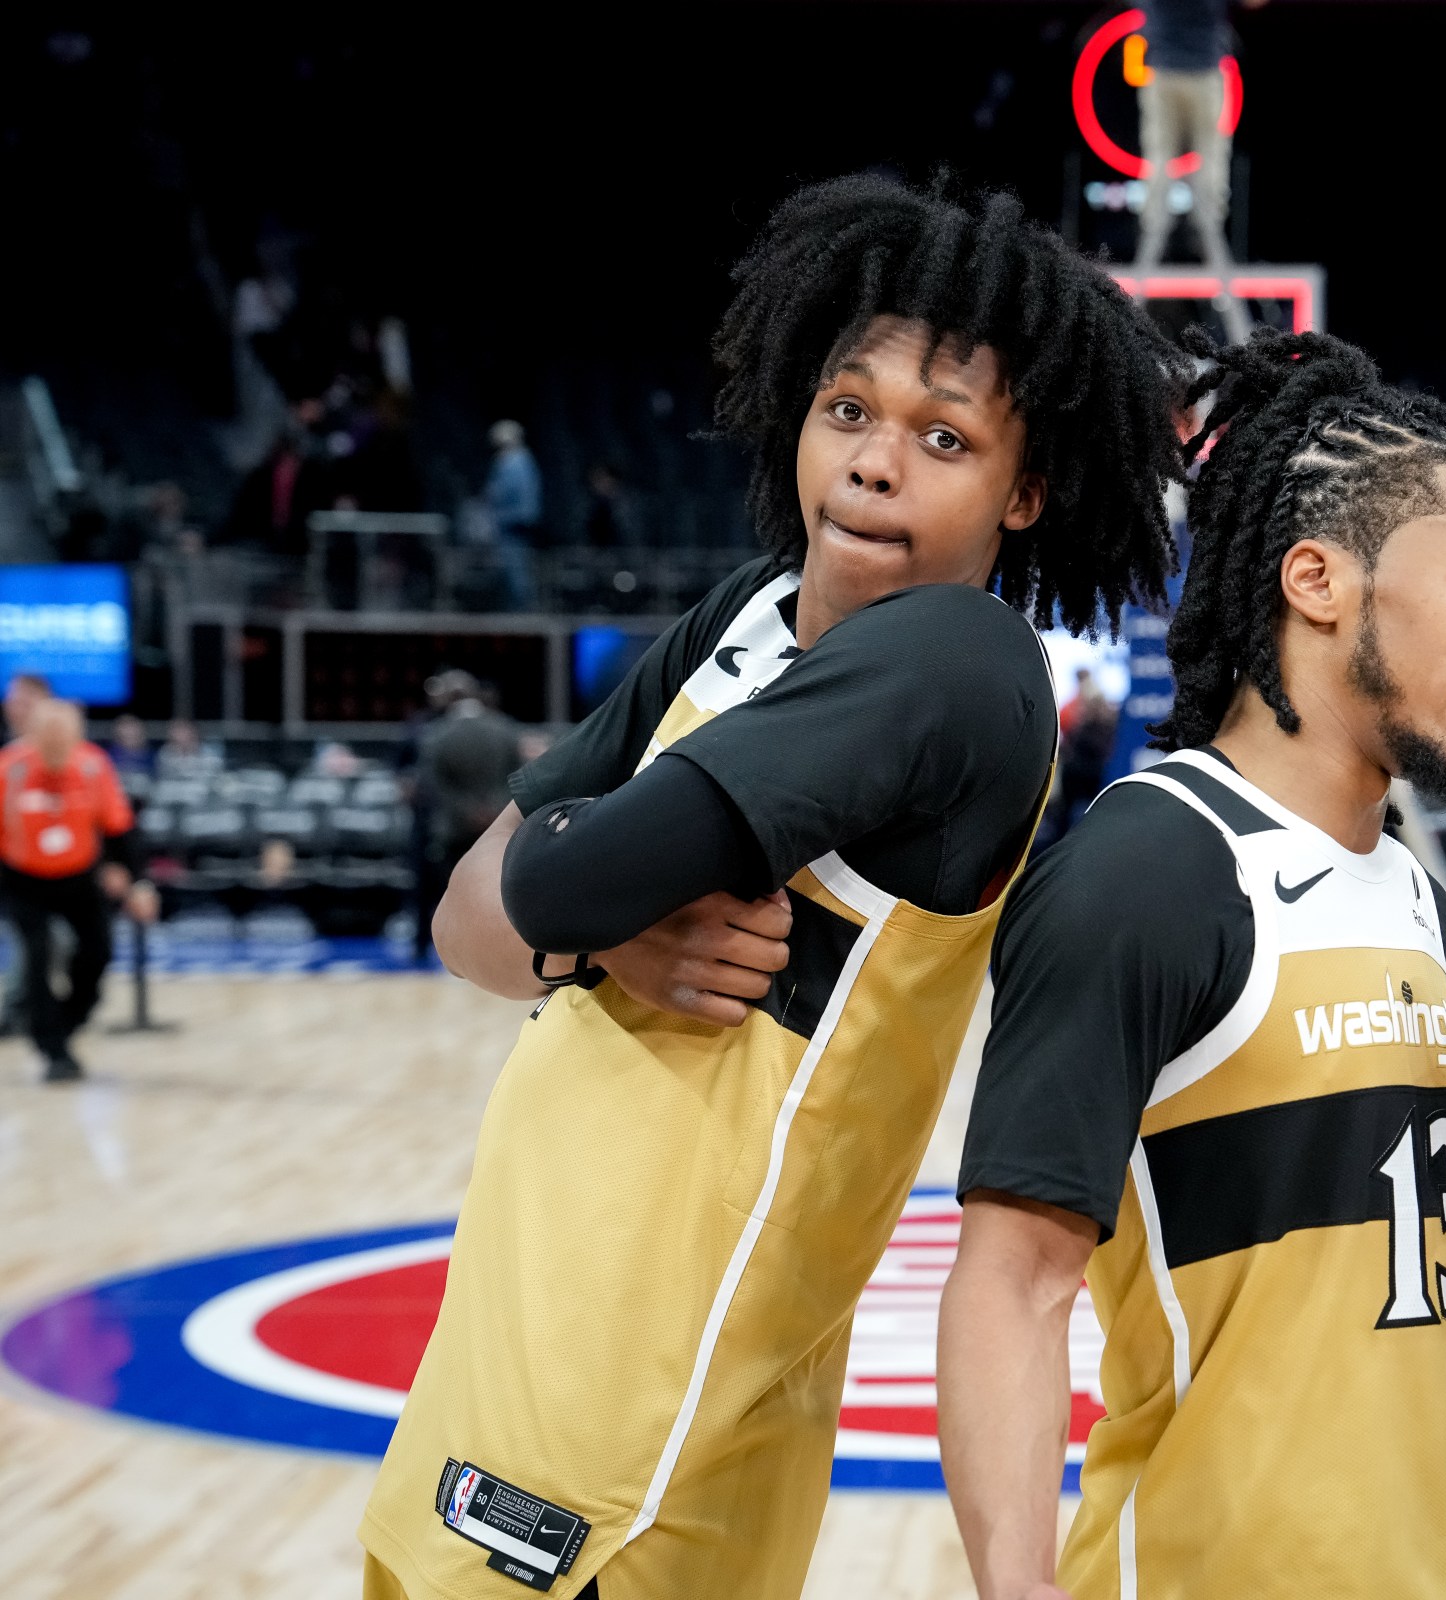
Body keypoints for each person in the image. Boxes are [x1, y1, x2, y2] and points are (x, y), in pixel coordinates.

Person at [358, 173, 1187, 1600]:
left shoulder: (960, 666)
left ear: (1026, 488)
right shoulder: (740, 614)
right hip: (531, 1297)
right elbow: (466, 920)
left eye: (944, 436)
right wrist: (607, 944)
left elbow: (544, 885)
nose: (874, 463)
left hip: (642, 1359)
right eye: (848, 410)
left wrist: (577, 900)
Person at [938, 333, 1446, 1599]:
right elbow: (1013, 1278)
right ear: (1319, 579)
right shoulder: (1148, 871)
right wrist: (1015, 1580)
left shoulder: (1418, 899)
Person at [0, 700, 138, 1081]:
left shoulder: (93, 766)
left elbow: (117, 827)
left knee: (98, 952)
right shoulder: (9, 770)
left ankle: (67, 1021)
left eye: (65, 739)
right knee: (38, 955)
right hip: (22, 880)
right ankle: (53, 1050)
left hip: (79, 877)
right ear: (32, 736)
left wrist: (131, 877)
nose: (57, 748)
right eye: (49, 740)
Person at [1131, 0, 1251, 339]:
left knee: (1161, 157)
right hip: (1193, 72)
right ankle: (1199, 220)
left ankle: (1164, 222)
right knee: (1205, 161)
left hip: (1175, 71)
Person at [410, 671, 519, 965]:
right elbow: (518, 777)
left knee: (451, 894)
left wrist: (467, 811)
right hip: (497, 827)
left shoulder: (435, 735)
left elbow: (433, 787)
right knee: (498, 894)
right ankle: (500, 957)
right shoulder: (506, 730)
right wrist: (492, 809)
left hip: (453, 830)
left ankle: (451, 957)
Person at [483, 419, 543, 605]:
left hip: (512, 521)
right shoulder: (524, 459)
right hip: (516, 520)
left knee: (515, 568)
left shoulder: (513, 461)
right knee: (516, 566)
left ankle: (520, 607)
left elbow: (502, 492)